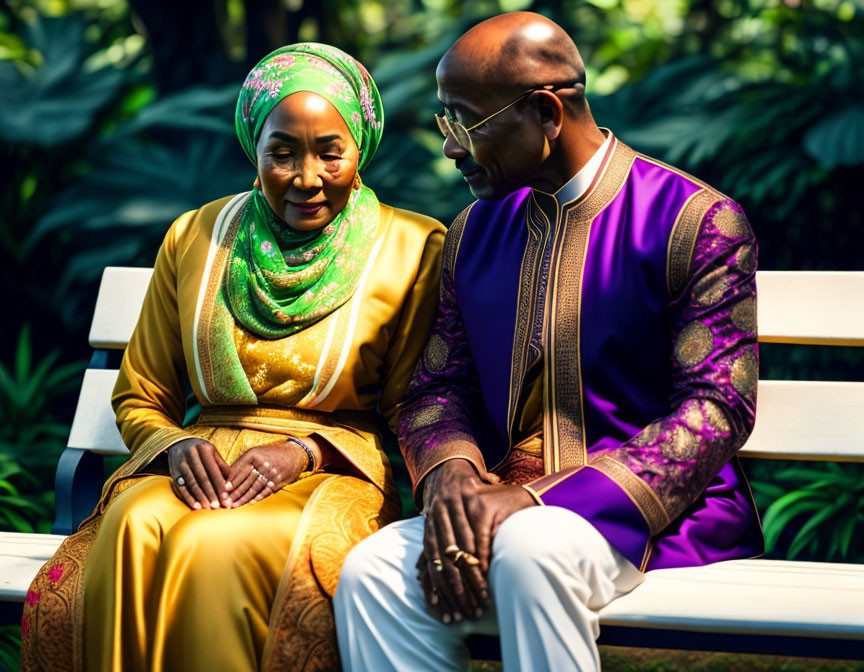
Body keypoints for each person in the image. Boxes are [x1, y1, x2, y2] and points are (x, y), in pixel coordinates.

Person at [335, 12, 762, 672]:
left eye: (464, 122)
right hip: (499, 505)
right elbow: (437, 388)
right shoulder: (475, 234)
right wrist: (450, 476)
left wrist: (537, 499)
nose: (451, 147)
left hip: (658, 516)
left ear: (544, 111)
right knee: (371, 572)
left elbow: (714, 411)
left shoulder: (693, 221)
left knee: (531, 549)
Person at [21, 42, 445, 672]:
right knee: (136, 521)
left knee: (223, 543)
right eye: (283, 153)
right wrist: (173, 447)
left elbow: (420, 405)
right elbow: (140, 393)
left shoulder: (412, 246)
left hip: (333, 469)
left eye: (331, 152)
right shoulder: (196, 235)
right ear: (256, 149)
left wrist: (305, 449)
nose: (307, 177)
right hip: (199, 466)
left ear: (360, 149)